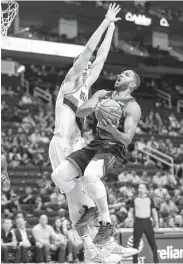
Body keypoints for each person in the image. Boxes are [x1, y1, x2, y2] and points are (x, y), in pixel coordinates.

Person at [50, 3, 123, 263]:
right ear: (78, 64)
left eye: (89, 64)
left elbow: (100, 57)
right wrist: (105, 21)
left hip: (78, 142)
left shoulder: (86, 88)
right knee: (75, 199)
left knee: (85, 193)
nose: (89, 64)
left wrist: (113, 28)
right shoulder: (70, 81)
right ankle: (93, 248)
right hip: (61, 143)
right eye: (85, 63)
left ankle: (96, 247)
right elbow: (91, 50)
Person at [52, 68, 141, 256]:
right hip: (94, 144)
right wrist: (97, 105)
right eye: (120, 73)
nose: (120, 75)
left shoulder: (133, 107)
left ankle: (106, 226)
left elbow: (127, 139)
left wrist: (113, 130)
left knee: (91, 176)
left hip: (113, 148)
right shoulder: (102, 94)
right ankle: (91, 209)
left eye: (126, 75)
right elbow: (81, 112)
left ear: (132, 84)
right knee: (58, 175)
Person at [128, 183, 159, 263]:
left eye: (142, 188)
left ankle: (156, 261)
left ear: (146, 190)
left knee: (152, 243)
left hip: (147, 222)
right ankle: (134, 262)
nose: (141, 189)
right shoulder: (134, 199)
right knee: (135, 245)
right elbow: (130, 211)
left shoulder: (150, 199)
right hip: (138, 222)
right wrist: (130, 218)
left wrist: (157, 224)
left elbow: (154, 212)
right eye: (140, 188)